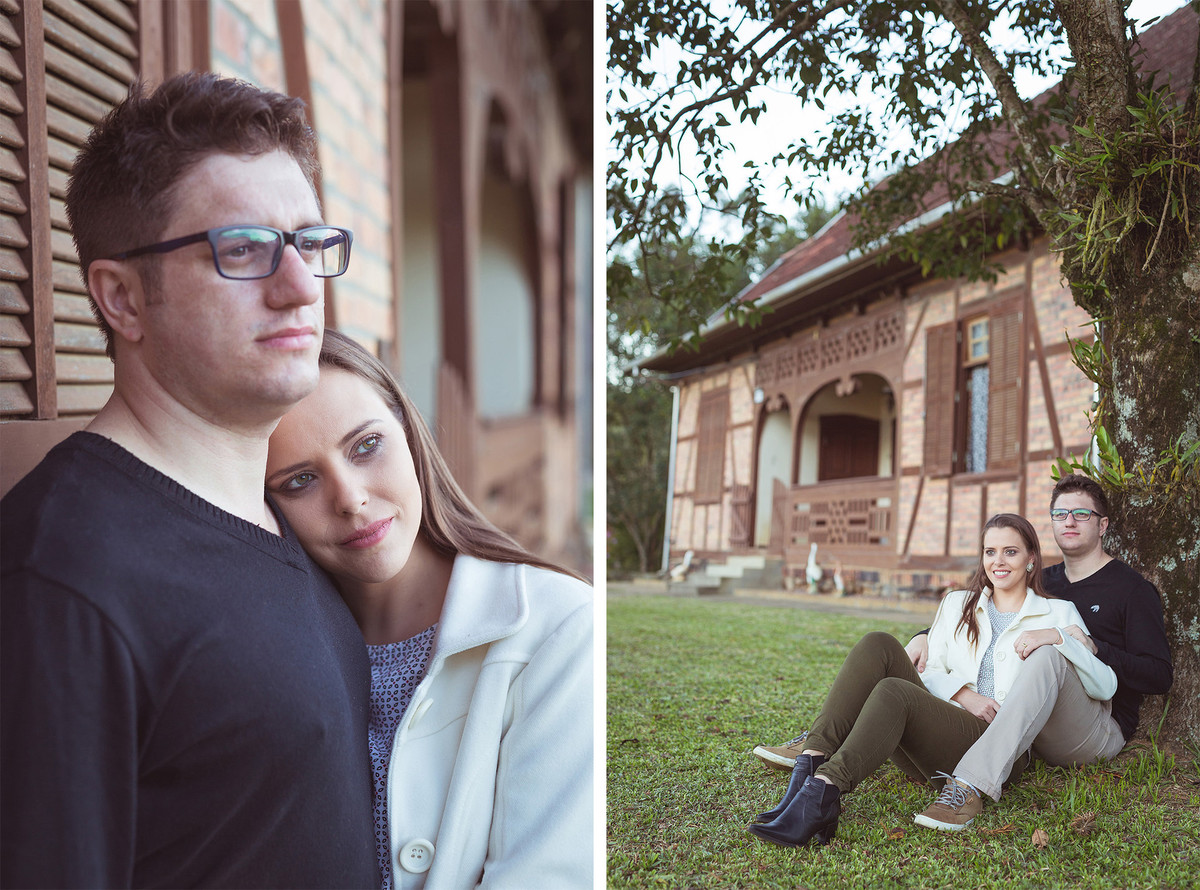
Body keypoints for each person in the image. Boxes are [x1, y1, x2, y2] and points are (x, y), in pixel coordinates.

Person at [1, 74, 377, 887]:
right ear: (122, 299)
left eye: (311, 243)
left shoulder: (290, 514)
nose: (302, 288)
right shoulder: (63, 576)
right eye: (241, 249)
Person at [265, 330, 594, 889]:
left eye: (366, 446)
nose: (349, 497)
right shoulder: (268, 647)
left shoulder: (559, 627)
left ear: (410, 435)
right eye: (300, 481)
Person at [746, 513, 1116, 848]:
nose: (998, 562)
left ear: (1032, 558)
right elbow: (929, 670)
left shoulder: (1057, 612)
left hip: (999, 747)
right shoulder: (957, 604)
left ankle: (823, 793)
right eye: (990, 552)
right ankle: (809, 767)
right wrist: (964, 694)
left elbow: (1103, 685)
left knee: (894, 692)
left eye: (1010, 552)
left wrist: (1059, 637)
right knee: (878, 643)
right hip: (940, 731)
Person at [912, 474, 1172, 830]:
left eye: (1081, 513)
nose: (1068, 521)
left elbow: (1159, 675)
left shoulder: (1132, 590)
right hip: (1034, 722)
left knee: (1048, 656)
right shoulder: (1043, 581)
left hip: (1094, 725)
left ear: (1103, 524)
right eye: (1059, 513)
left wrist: (1092, 645)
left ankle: (969, 784)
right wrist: (923, 635)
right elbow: (990, 613)